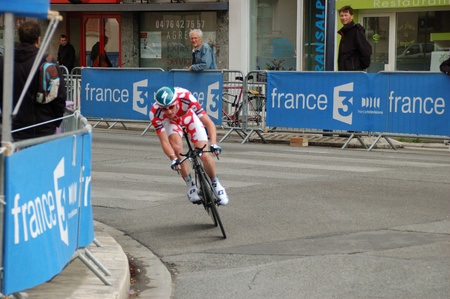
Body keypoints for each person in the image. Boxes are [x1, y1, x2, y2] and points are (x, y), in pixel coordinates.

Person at [149, 86, 229, 205]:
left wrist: (213, 143)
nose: (169, 111)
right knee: (176, 150)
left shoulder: (186, 97)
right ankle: (190, 185)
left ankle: (216, 183)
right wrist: (173, 159)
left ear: (176, 102)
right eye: (165, 109)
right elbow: (164, 141)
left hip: (188, 117)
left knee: (205, 155)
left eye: (171, 107)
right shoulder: (154, 112)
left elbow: (208, 123)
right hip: (171, 123)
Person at [0, 20, 66, 141]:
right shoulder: (47, 61)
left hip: (15, 128)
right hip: (43, 127)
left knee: (17, 159)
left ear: (20, 38)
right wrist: (56, 121)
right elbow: (60, 97)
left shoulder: (5, 61)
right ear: (38, 39)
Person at [337, 6, 372, 71]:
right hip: (344, 72)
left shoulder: (356, 31)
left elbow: (366, 50)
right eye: (341, 16)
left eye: (346, 15)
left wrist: (361, 67)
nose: (343, 18)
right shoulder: (345, 33)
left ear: (352, 16)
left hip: (354, 73)